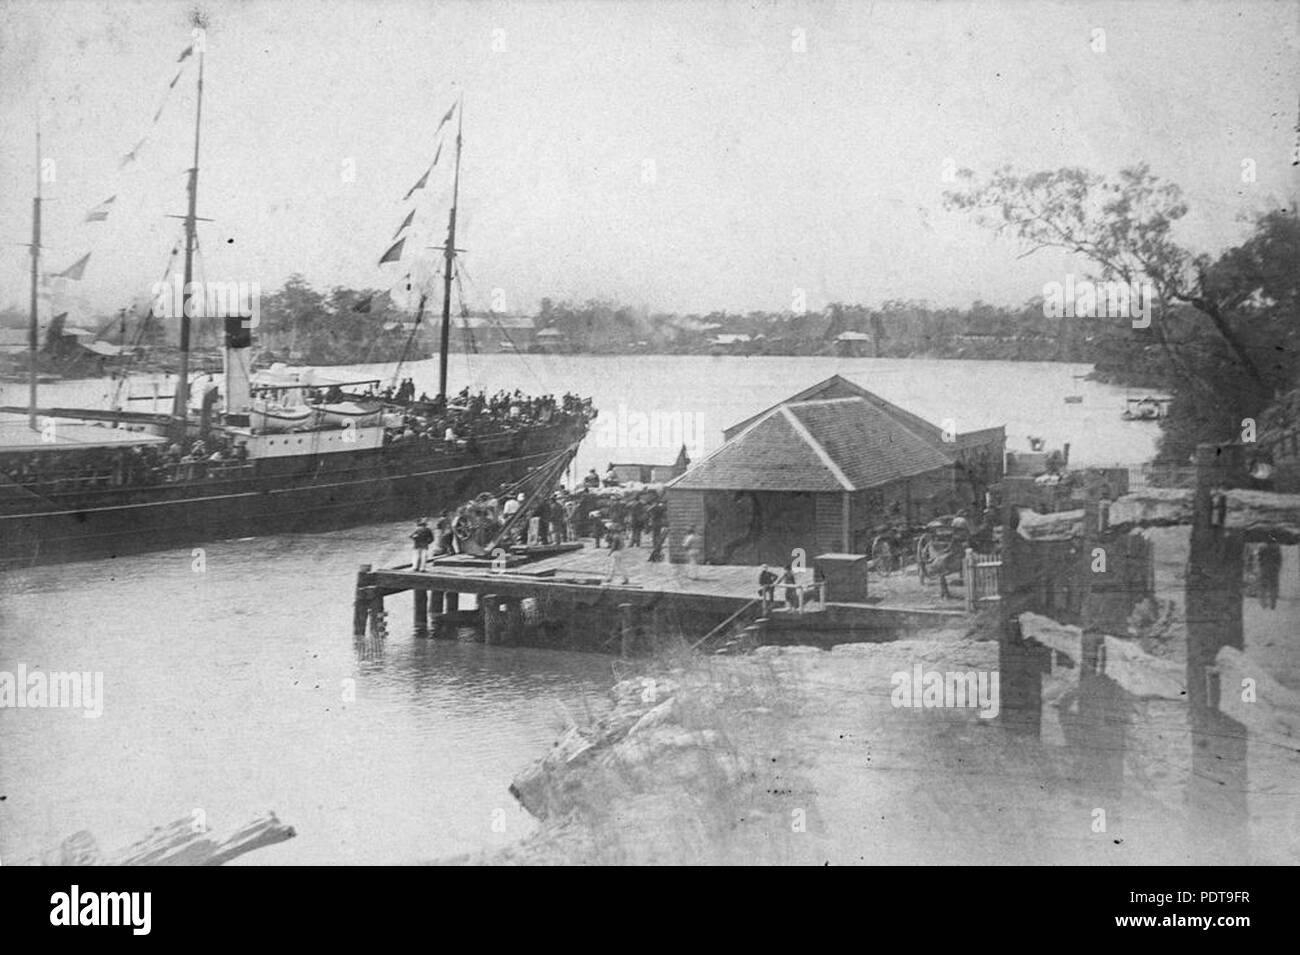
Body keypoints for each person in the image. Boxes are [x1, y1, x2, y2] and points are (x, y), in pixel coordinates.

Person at [1258, 539, 1282, 610]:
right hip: (1274, 568)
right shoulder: (1277, 547)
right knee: (1274, 586)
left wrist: (1261, 565)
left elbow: (1259, 558)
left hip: (1264, 568)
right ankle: (1273, 604)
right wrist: (1277, 567)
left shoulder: (1262, 546)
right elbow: (1279, 559)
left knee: (1263, 586)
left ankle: (1263, 603)